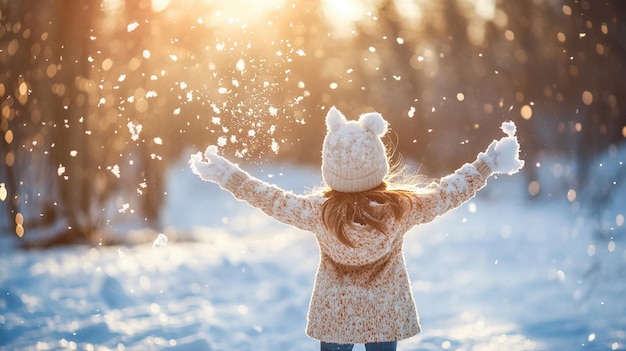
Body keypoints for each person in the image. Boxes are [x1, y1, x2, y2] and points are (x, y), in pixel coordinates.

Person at [189, 106, 524, 351]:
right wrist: (485, 166)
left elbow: (271, 199)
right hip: (385, 313)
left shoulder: (318, 213)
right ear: (376, 161)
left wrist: (230, 177)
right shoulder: (399, 209)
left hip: (334, 315)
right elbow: (445, 194)